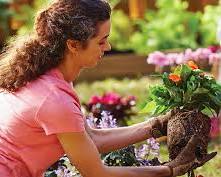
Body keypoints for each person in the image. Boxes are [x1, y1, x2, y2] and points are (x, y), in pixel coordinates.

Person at [0, 0, 216, 177]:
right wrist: (167, 170)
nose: (109, 47)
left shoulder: (50, 76)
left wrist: (156, 125)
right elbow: (96, 173)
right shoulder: (54, 99)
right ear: (73, 45)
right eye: (101, 41)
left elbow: (92, 139)